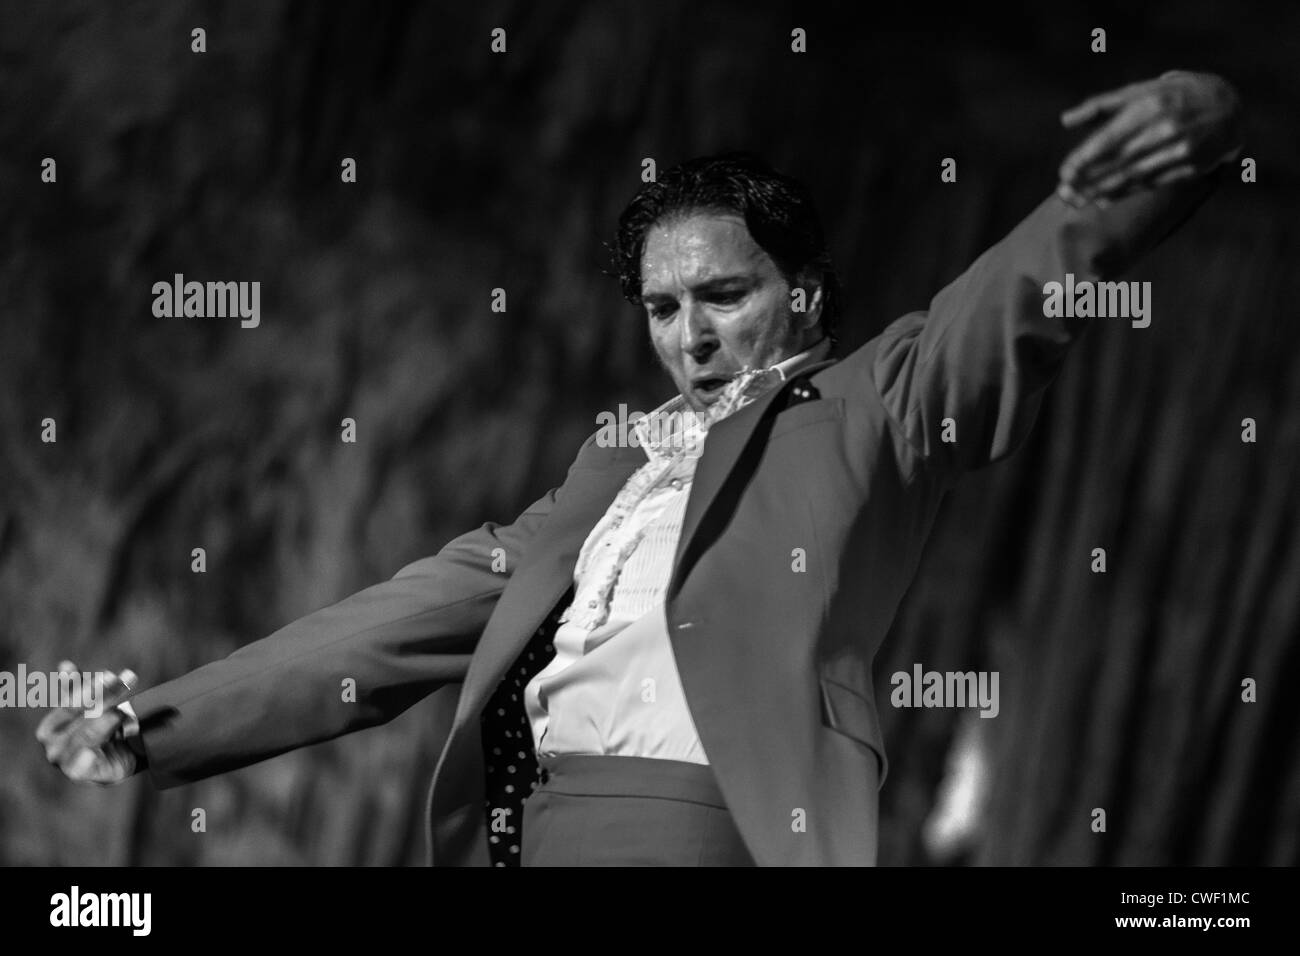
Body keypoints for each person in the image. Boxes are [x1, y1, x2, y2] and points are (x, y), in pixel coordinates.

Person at [38, 69, 1242, 866]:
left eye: (724, 294)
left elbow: (1023, 293)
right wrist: (159, 721)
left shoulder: (879, 394)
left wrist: (1178, 130)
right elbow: (399, 621)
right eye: (662, 307)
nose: (689, 334)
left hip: (713, 830)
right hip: (529, 831)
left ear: (801, 293)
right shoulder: (617, 454)